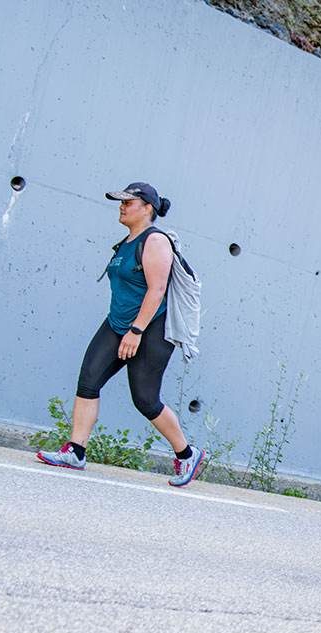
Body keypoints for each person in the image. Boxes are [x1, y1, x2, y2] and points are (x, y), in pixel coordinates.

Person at [37, 182, 207, 487]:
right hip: (117, 323)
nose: (122, 206)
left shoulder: (155, 241)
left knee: (145, 400)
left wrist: (136, 331)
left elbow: (156, 290)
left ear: (147, 209)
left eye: (128, 202)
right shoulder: (127, 243)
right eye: (121, 201)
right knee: (88, 380)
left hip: (150, 327)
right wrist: (124, 327)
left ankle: (187, 454)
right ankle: (76, 451)